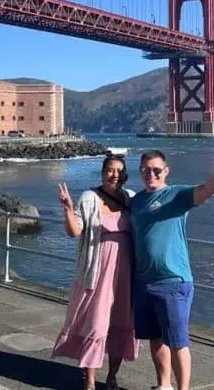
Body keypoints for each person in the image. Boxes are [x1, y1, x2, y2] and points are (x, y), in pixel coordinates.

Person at [130, 141, 214, 390]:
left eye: (157, 170)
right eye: (146, 170)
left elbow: (207, 190)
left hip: (173, 282)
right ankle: (164, 385)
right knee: (155, 339)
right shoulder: (135, 201)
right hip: (143, 282)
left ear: (166, 171)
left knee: (179, 342)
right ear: (140, 171)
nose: (151, 174)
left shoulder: (177, 195)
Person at [51, 154, 139, 390]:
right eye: (110, 170)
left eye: (120, 171)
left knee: (121, 325)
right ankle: (90, 381)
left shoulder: (130, 198)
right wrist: (68, 209)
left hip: (125, 275)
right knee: (97, 326)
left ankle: (111, 377)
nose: (115, 175)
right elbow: (75, 231)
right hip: (98, 272)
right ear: (102, 172)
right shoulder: (90, 198)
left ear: (125, 175)